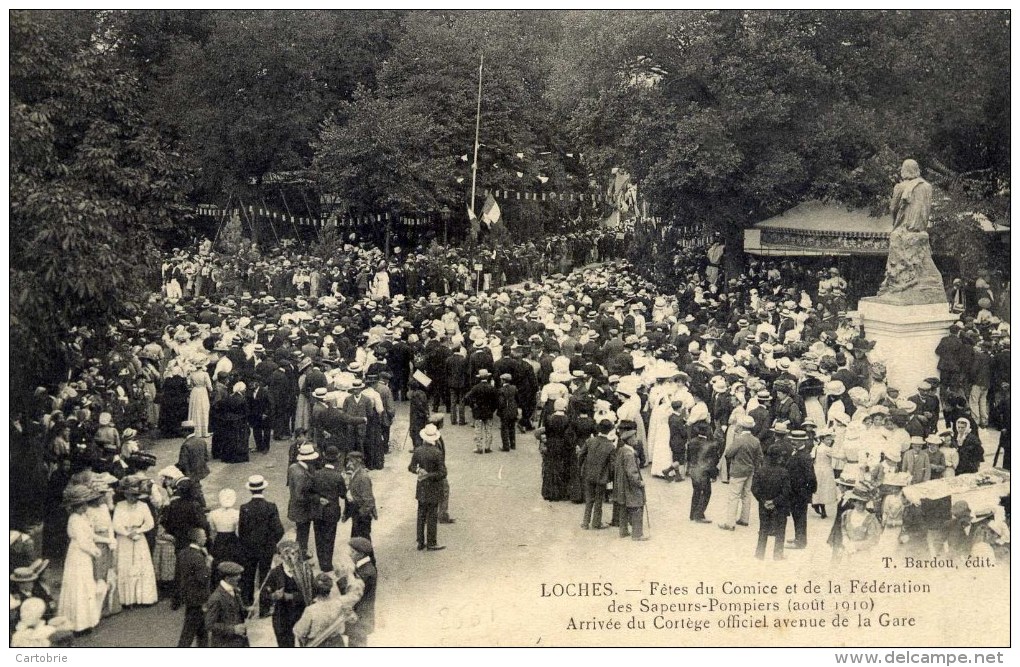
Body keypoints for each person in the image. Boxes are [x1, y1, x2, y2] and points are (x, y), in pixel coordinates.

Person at [57, 484, 102, 634]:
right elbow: (83, 541)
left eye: (86, 503)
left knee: (86, 584)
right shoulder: (74, 519)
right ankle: (77, 623)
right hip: (78, 554)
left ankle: (87, 620)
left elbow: (90, 535)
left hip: (85, 555)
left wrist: (106, 540)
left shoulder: (83, 517)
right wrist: (94, 551)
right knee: (78, 585)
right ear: (76, 506)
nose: (86, 507)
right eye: (83, 504)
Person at [238, 475, 284, 605]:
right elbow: (279, 530)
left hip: (249, 548)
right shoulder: (270, 507)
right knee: (265, 576)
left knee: (248, 575)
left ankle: (247, 603)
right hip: (266, 548)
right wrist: (272, 542)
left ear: (250, 490)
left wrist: (246, 544)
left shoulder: (244, 508)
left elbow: (242, 531)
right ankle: (264, 606)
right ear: (263, 489)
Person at [112, 476, 157, 607]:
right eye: (130, 495)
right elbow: (115, 524)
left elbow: (150, 523)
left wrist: (138, 531)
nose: (133, 498)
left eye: (135, 495)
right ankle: (127, 599)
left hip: (139, 538)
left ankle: (143, 598)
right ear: (125, 494)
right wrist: (127, 533)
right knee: (125, 566)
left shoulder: (143, 506)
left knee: (140, 565)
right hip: (124, 539)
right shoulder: (120, 506)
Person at [292, 572, 365, 647]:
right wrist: (350, 575)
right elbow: (356, 595)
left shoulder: (310, 611)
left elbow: (299, 632)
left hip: (319, 645)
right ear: (330, 588)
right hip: (338, 644)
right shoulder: (340, 603)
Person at [260, 541, 308, 648]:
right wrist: (273, 596)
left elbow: (311, 594)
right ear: (281, 555)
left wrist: (290, 596)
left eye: (293, 553)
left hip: (301, 613)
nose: (290, 557)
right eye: (286, 553)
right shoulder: (275, 572)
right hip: (282, 614)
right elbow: (263, 595)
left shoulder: (305, 571)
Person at [719, 415, 762, 531]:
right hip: (750, 470)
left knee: (734, 496)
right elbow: (759, 457)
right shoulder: (755, 440)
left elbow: (728, 453)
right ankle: (744, 519)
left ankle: (730, 523)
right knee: (746, 495)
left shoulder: (739, 441)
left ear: (742, 427)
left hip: (738, 471)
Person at [409, 424, 448, 551]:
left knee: (421, 514)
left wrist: (419, 471)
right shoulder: (437, 453)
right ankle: (431, 542)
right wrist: (429, 475)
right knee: (432, 515)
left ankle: (420, 541)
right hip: (434, 487)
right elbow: (443, 473)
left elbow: (411, 467)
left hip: (421, 486)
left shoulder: (418, 450)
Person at [752, 445, 792, 560]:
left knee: (763, 529)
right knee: (780, 531)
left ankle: (759, 554)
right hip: (779, 507)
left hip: (763, 506)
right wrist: (774, 502)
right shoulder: (784, 472)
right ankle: (778, 555)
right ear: (779, 458)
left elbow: (754, 488)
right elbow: (786, 491)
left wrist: (764, 501)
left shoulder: (760, 470)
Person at [311, 446, 347, 572]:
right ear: (337, 459)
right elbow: (343, 494)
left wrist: (318, 499)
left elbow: (309, 492)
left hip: (318, 511)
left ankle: (321, 562)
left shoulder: (316, 474)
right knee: (329, 537)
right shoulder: (338, 477)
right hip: (332, 511)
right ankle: (327, 564)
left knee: (318, 536)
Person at [175, 528, 212, 647]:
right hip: (199, 598)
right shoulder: (198, 557)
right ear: (197, 539)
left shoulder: (183, 553)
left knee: (202, 630)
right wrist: (209, 564)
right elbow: (203, 577)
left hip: (188, 596)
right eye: (204, 536)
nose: (206, 538)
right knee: (189, 632)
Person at [613, 423, 648, 541]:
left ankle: (623, 531)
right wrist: (639, 483)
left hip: (621, 484)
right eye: (634, 438)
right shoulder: (629, 454)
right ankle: (637, 534)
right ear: (629, 440)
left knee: (623, 507)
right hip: (630, 485)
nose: (636, 440)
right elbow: (632, 472)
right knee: (637, 505)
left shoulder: (622, 450)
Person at [578, 419, 616, 530]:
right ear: (609, 430)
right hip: (602, 476)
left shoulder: (590, 441)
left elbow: (581, 455)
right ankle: (596, 522)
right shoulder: (610, 446)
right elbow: (612, 465)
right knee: (599, 500)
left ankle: (585, 522)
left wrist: (581, 468)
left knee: (589, 499)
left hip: (588, 474)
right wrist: (610, 476)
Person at [205, 561, 250, 647]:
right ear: (227, 578)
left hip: (239, 642)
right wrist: (233, 629)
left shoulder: (234, 590)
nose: (239, 577)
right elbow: (209, 624)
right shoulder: (216, 598)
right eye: (236, 575)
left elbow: (237, 611)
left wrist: (248, 610)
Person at [784, 430, 817, 549]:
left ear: (801, 441)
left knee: (800, 516)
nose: (792, 442)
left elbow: (810, 476)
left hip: (800, 492)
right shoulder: (798, 453)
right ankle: (798, 537)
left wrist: (808, 491)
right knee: (796, 515)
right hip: (796, 491)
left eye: (795, 441)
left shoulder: (803, 456)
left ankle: (801, 541)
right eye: (792, 440)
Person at [287, 443, 320, 558]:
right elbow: (299, 495)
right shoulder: (302, 475)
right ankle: (301, 554)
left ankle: (300, 551)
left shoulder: (293, 468)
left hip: (295, 507)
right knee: (303, 533)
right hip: (302, 509)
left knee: (301, 532)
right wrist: (316, 498)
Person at [344, 537, 377, 647]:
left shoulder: (366, 572)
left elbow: (352, 592)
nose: (349, 554)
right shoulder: (364, 567)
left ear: (361, 554)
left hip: (359, 618)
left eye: (352, 552)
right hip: (361, 617)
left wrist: (347, 574)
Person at [686, 421, 721, 523]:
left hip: (693, 470)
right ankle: (699, 514)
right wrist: (713, 475)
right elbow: (713, 461)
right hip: (704, 472)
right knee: (706, 492)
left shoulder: (691, 442)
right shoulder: (711, 444)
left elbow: (688, 457)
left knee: (696, 491)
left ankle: (693, 514)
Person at [208, 488, 244, 585]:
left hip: (219, 540)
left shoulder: (213, 514)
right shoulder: (237, 513)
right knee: (233, 561)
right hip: (232, 540)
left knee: (218, 562)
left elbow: (212, 529)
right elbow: (238, 530)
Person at [463, 369, 499, 453]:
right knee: (488, 430)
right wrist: (492, 409)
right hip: (489, 411)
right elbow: (496, 401)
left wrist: (473, 406)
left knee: (478, 430)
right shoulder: (492, 388)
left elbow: (466, 398)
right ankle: (488, 447)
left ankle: (479, 447)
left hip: (478, 411)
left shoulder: (476, 388)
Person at [344, 451, 377, 539]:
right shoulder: (354, 474)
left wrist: (360, 514)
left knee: (363, 543)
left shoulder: (363, 477)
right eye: (348, 461)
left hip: (362, 516)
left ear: (358, 461)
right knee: (357, 543)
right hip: (357, 513)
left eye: (351, 461)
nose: (348, 464)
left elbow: (369, 501)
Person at [811, 429, 838, 518]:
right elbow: (838, 455)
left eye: (830, 440)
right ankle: (821, 508)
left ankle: (817, 504)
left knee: (818, 488)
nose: (829, 441)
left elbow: (812, 457)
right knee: (824, 489)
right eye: (827, 439)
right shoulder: (827, 449)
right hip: (825, 470)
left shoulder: (816, 447)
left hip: (817, 469)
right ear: (822, 439)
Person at [176, 421, 210, 489]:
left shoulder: (186, 445)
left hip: (190, 475)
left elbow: (182, 463)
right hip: (200, 473)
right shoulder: (202, 441)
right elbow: (206, 457)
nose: (181, 433)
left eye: (182, 431)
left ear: (186, 431)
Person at [187, 365, 213, 437]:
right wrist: (211, 390)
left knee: (195, 410)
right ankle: (204, 432)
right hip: (202, 392)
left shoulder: (192, 374)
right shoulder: (205, 374)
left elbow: (190, 385)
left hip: (195, 392)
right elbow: (209, 386)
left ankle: (196, 431)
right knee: (203, 410)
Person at [497, 373, 519, 451]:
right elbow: (517, 399)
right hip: (513, 410)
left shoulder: (501, 390)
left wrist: (499, 410)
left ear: (503, 381)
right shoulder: (514, 388)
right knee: (512, 428)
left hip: (505, 411)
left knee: (504, 429)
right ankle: (513, 444)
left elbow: (501, 402)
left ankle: (506, 446)